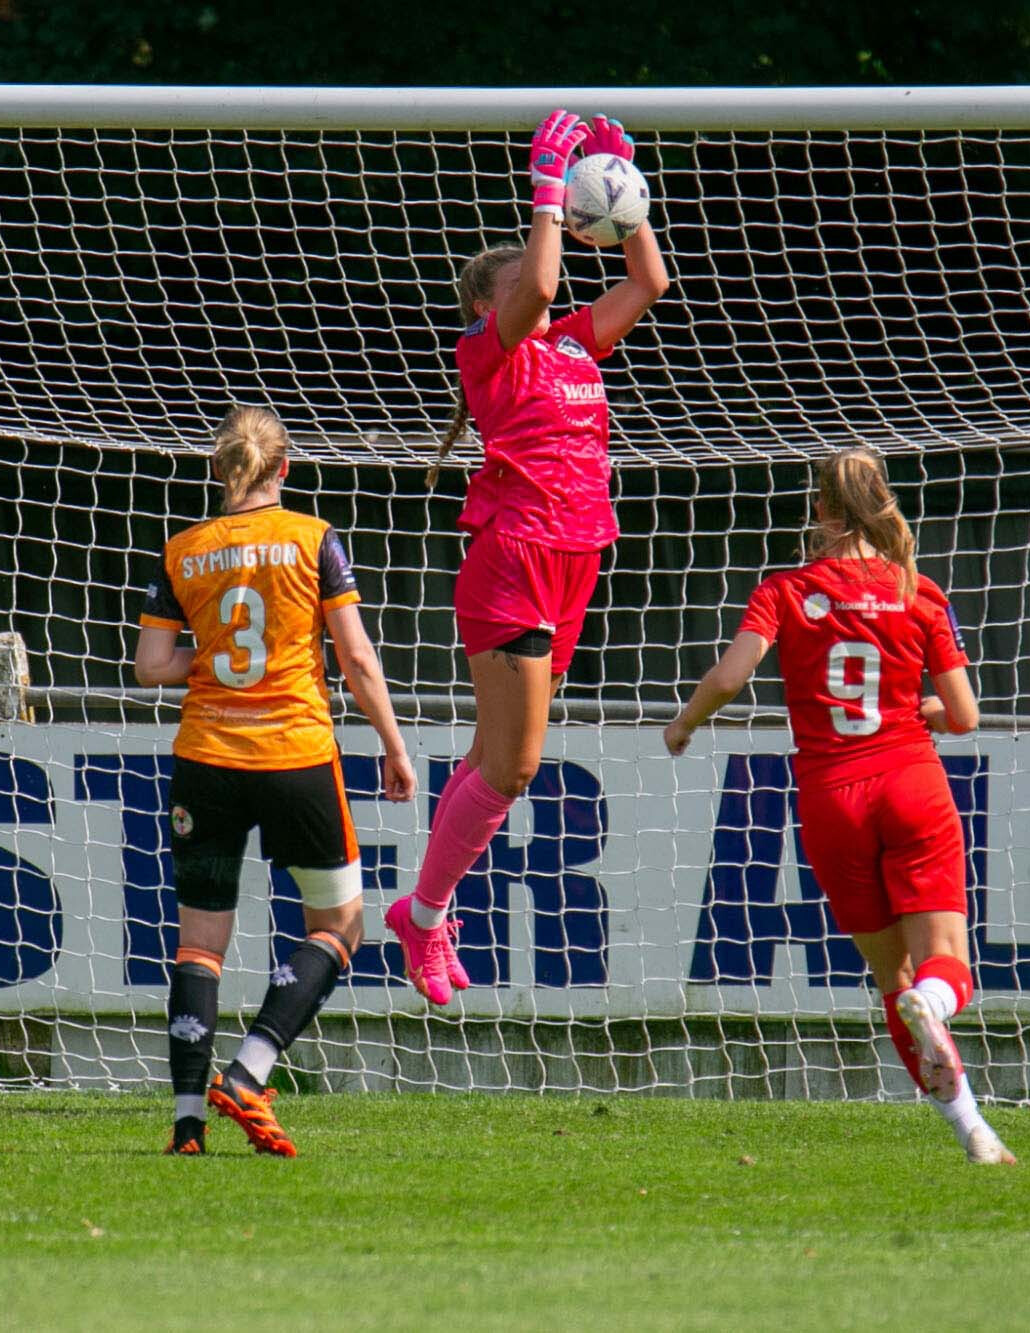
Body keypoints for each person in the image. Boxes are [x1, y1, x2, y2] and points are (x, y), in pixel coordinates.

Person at [385, 109, 670, 1006]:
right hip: (514, 556)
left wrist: (626, 193)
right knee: (515, 769)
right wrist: (548, 183)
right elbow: (539, 284)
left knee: (492, 759)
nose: (536, 271)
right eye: (513, 272)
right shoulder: (491, 349)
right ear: (488, 302)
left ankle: (427, 911)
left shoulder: (576, 344)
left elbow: (650, 279)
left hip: (578, 556)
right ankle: (424, 916)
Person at [663, 446, 1014, 1165]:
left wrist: (686, 722)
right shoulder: (920, 590)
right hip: (910, 781)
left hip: (831, 800)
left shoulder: (788, 589)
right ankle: (943, 1014)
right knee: (944, 967)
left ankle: (973, 1129)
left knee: (894, 981)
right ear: (882, 501)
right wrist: (926, 711)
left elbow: (732, 675)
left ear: (820, 510)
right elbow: (965, 714)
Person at [134, 407, 416, 1157]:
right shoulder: (312, 537)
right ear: (283, 468)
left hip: (206, 757)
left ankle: (188, 1122)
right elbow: (355, 658)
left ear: (221, 469)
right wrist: (394, 744)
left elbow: (151, 666)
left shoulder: (183, 549)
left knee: (200, 943)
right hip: (293, 754)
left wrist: (218, 657)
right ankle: (250, 1071)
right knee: (338, 927)